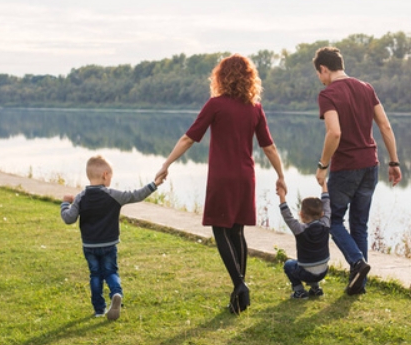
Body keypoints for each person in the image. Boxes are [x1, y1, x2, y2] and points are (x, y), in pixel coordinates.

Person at [155, 54, 286, 315]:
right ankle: (238, 299)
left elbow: (188, 139)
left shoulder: (216, 105)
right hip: (245, 177)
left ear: (221, 77)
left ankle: (240, 285)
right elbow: (269, 147)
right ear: (250, 79)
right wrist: (281, 175)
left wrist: (166, 164)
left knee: (219, 229)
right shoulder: (255, 108)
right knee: (237, 232)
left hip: (222, 177)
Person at [312, 46, 402, 296]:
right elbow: (384, 125)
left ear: (324, 69)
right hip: (370, 165)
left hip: (346, 167)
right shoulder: (366, 88)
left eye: (319, 74)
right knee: (359, 225)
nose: (320, 79)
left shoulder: (328, 94)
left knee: (331, 220)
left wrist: (323, 165)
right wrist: (394, 162)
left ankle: (357, 262)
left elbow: (335, 132)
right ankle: (358, 285)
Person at [60, 155, 165, 320]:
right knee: (110, 272)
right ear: (105, 175)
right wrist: (154, 184)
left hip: (90, 245)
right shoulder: (114, 195)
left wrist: (65, 204)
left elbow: (69, 219)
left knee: (95, 275)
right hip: (109, 244)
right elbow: (136, 195)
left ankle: (99, 310)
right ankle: (116, 293)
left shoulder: (81, 197)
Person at [276, 180, 330, 299]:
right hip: (324, 271)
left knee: (289, 265)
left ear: (301, 214)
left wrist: (282, 196)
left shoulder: (299, 229)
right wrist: (324, 185)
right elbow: (326, 203)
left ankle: (299, 291)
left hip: (307, 273)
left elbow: (287, 216)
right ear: (322, 214)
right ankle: (316, 289)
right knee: (312, 264)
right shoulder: (326, 224)